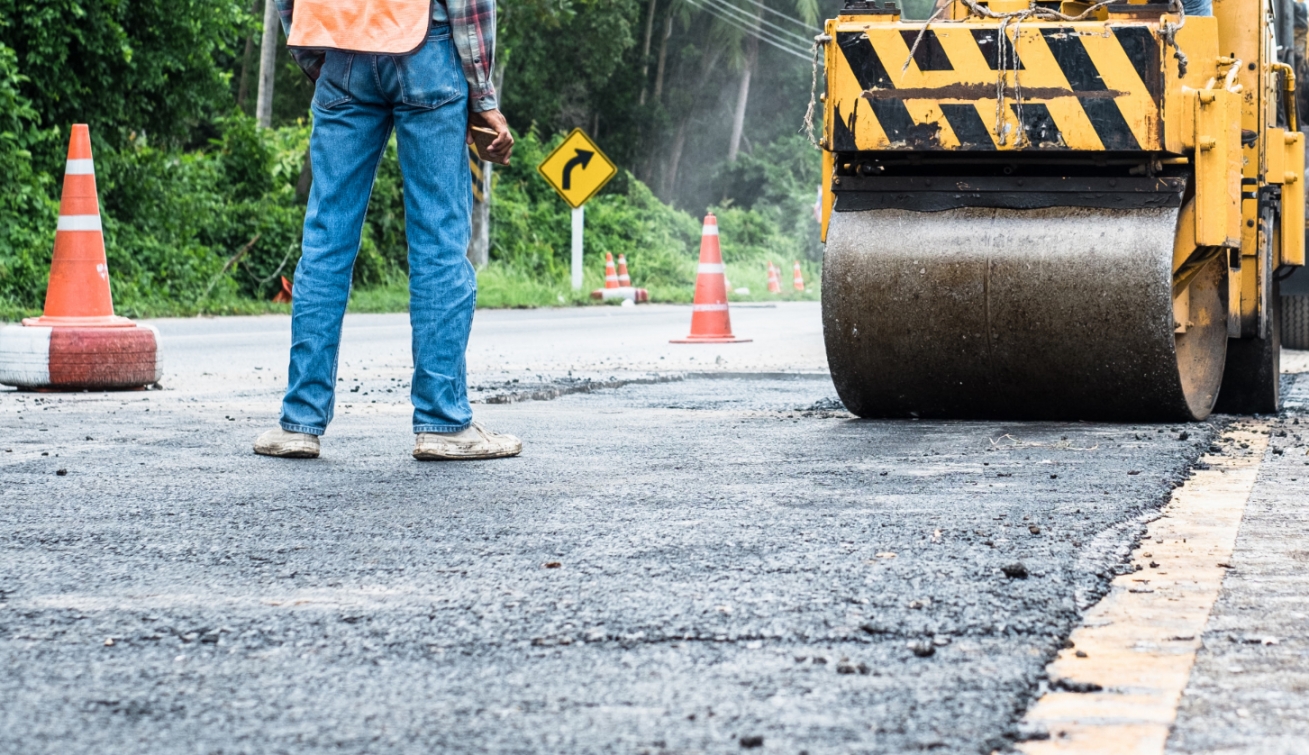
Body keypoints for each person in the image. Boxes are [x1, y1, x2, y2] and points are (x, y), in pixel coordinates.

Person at [252, 0, 521, 461]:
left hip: (339, 48)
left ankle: (299, 422)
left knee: (326, 241)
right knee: (438, 239)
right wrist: (484, 98)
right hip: (427, 48)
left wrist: (316, 53)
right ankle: (443, 424)